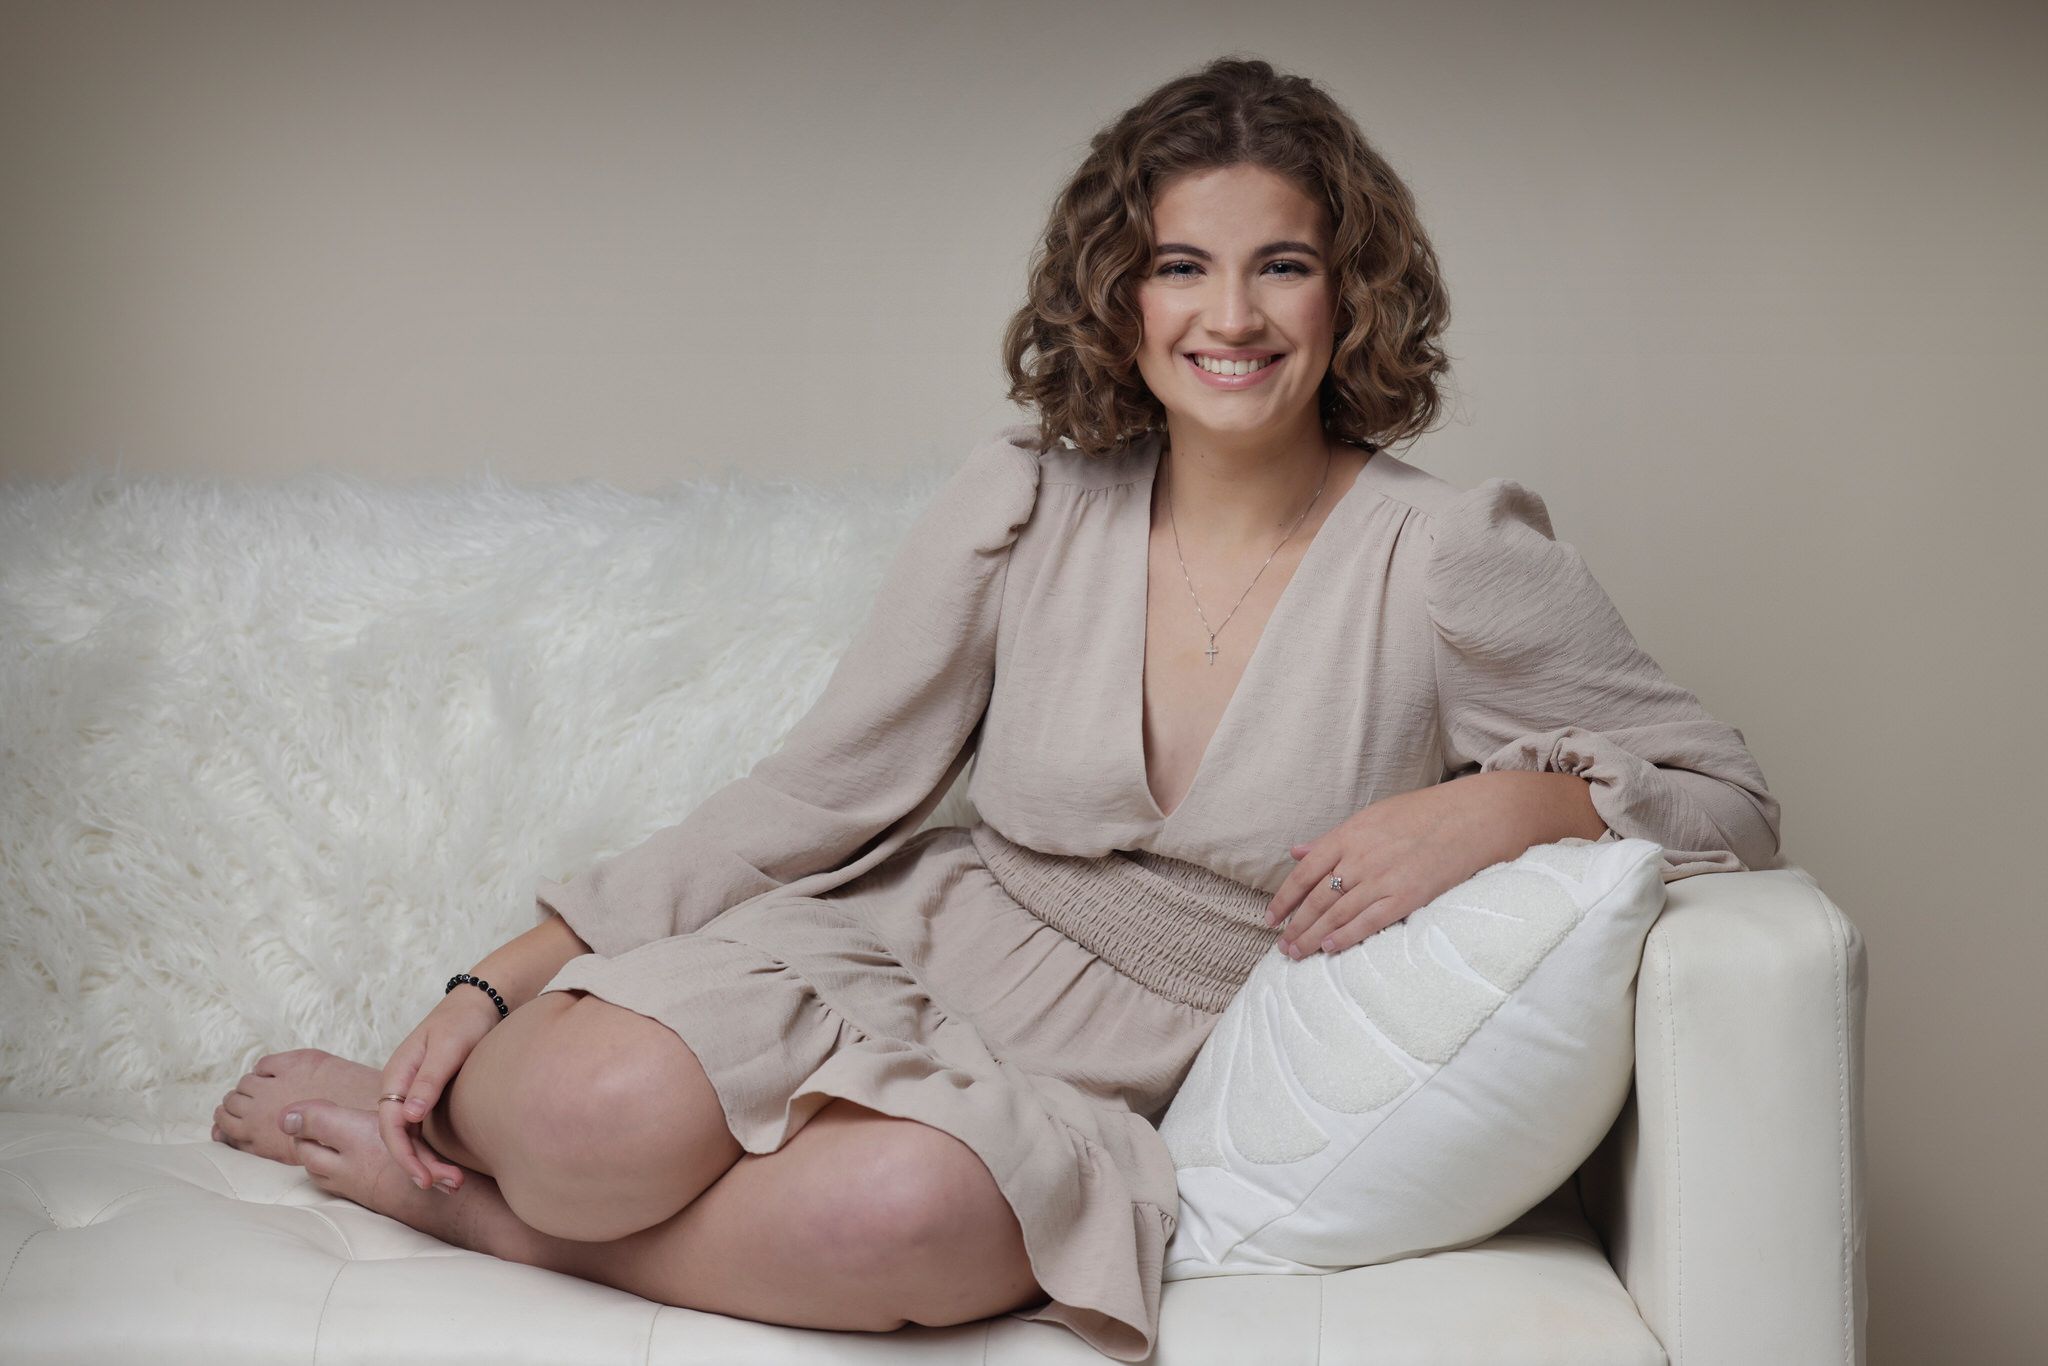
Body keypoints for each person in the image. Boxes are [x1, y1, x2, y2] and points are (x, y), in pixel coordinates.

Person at [208, 55, 1781, 1362]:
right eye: (1182, 265)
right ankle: (474, 1134)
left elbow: (1727, 793)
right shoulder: (1027, 500)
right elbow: (815, 794)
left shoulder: (1449, 555)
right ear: (1122, 294)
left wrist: (1500, 805)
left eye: (1283, 264)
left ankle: (480, 1221)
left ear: (1348, 292)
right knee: (589, 1110)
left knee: (910, 1218)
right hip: (909, 939)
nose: (1231, 315)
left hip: (1114, 1066)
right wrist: (492, 982)